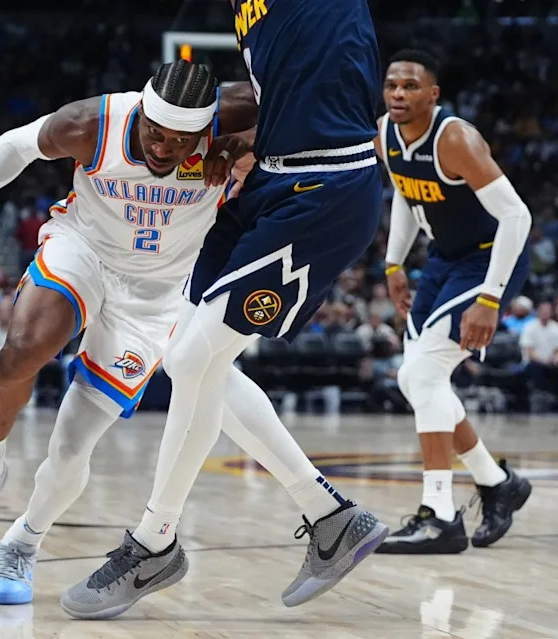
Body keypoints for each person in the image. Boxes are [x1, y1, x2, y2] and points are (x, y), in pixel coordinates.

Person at [0, 61, 282, 606]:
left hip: (159, 292)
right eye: (156, 133)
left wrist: (248, 140)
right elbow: (13, 147)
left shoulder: (239, 114)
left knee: (72, 446)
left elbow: (311, 108)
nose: (164, 148)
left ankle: (22, 543)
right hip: (84, 249)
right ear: (144, 111)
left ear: (206, 128)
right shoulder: (92, 124)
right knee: (24, 348)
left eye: (182, 140)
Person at [61, 0, 389, 618]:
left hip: (328, 187)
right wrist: (241, 138)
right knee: (186, 349)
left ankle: (154, 541)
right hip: (268, 178)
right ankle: (330, 517)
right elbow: (287, 88)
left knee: (192, 360)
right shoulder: (247, 12)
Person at [373, 50, 532, 554]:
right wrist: (394, 263)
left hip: (490, 260)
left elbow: (517, 218)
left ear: (432, 94)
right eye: (392, 86)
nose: (399, 94)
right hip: (444, 257)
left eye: (411, 86)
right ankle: (496, 481)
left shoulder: (455, 139)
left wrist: (490, 297)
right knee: (414, 377)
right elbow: (404, 193)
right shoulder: (385, 135)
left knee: (420, 376)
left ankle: (440, 515)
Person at [519, 300, 558, 397]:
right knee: (535, 368)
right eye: (543, 310)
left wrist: (557, 359)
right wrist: (543, 361)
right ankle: (539, 395)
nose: (545, 313)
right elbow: (529, 351)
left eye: (548, 310)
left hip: (552, 362)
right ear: (538, 311)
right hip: (535, 361)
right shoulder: (529, 327)